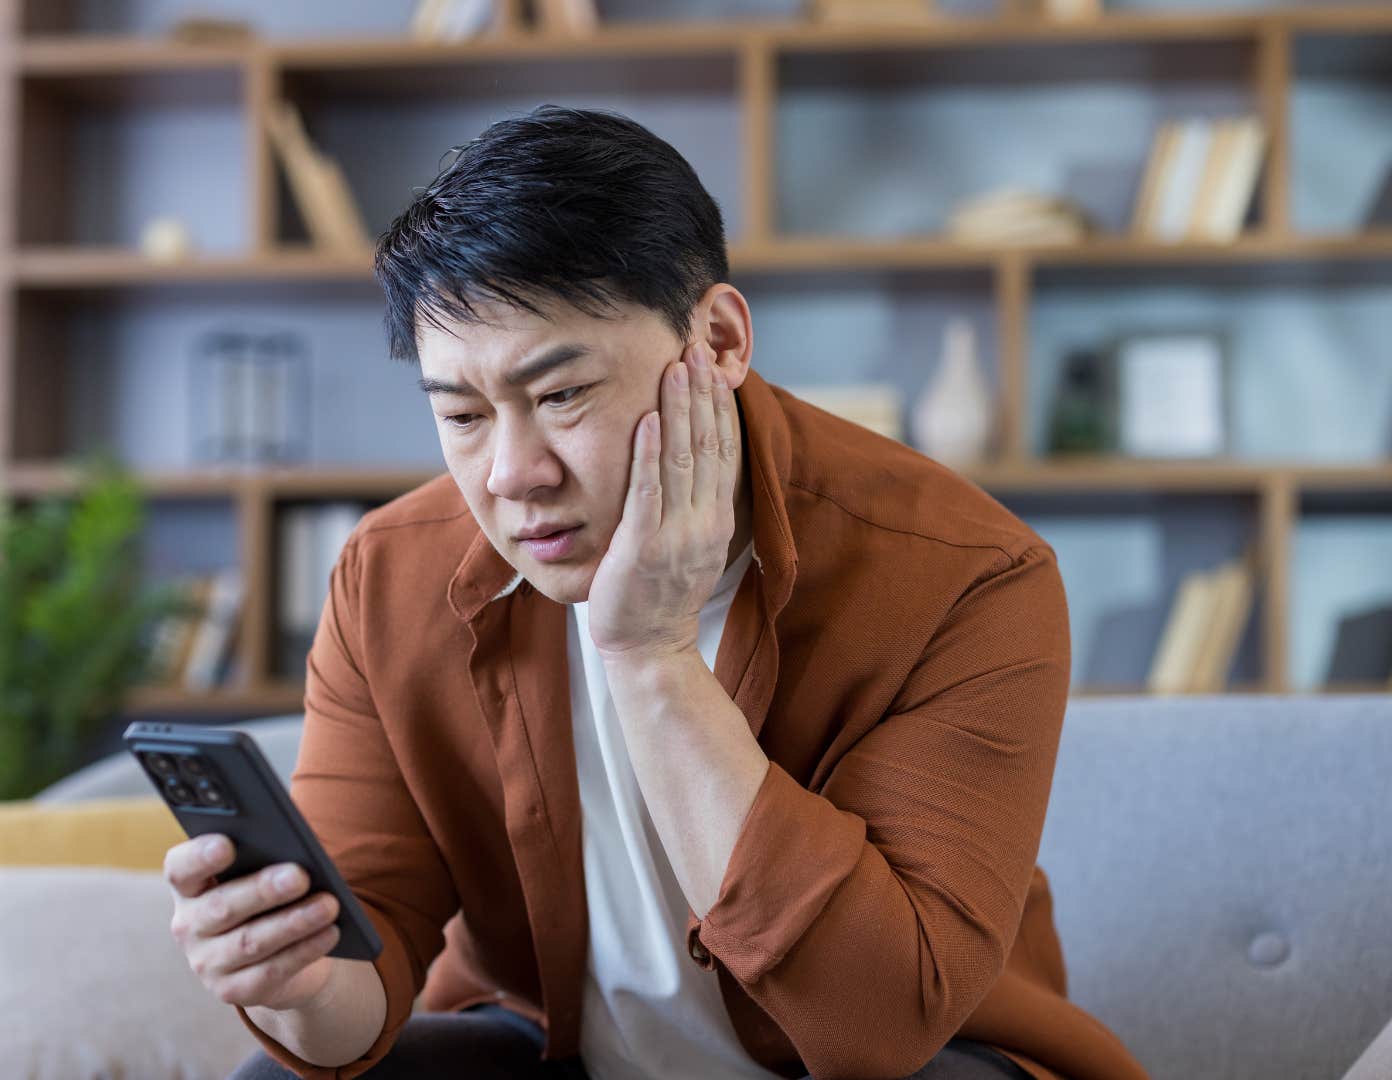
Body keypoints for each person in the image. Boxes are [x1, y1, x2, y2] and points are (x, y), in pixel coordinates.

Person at [162, 106, 1149, 1080]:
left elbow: (876, 1030)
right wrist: (293, 984)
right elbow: (359, 984)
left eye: (562, 395)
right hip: (556, 1052)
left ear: (717, 341)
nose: (512, 474)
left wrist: (651, 656)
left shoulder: (966, 575)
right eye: (462, 414)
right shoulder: (389, 577)